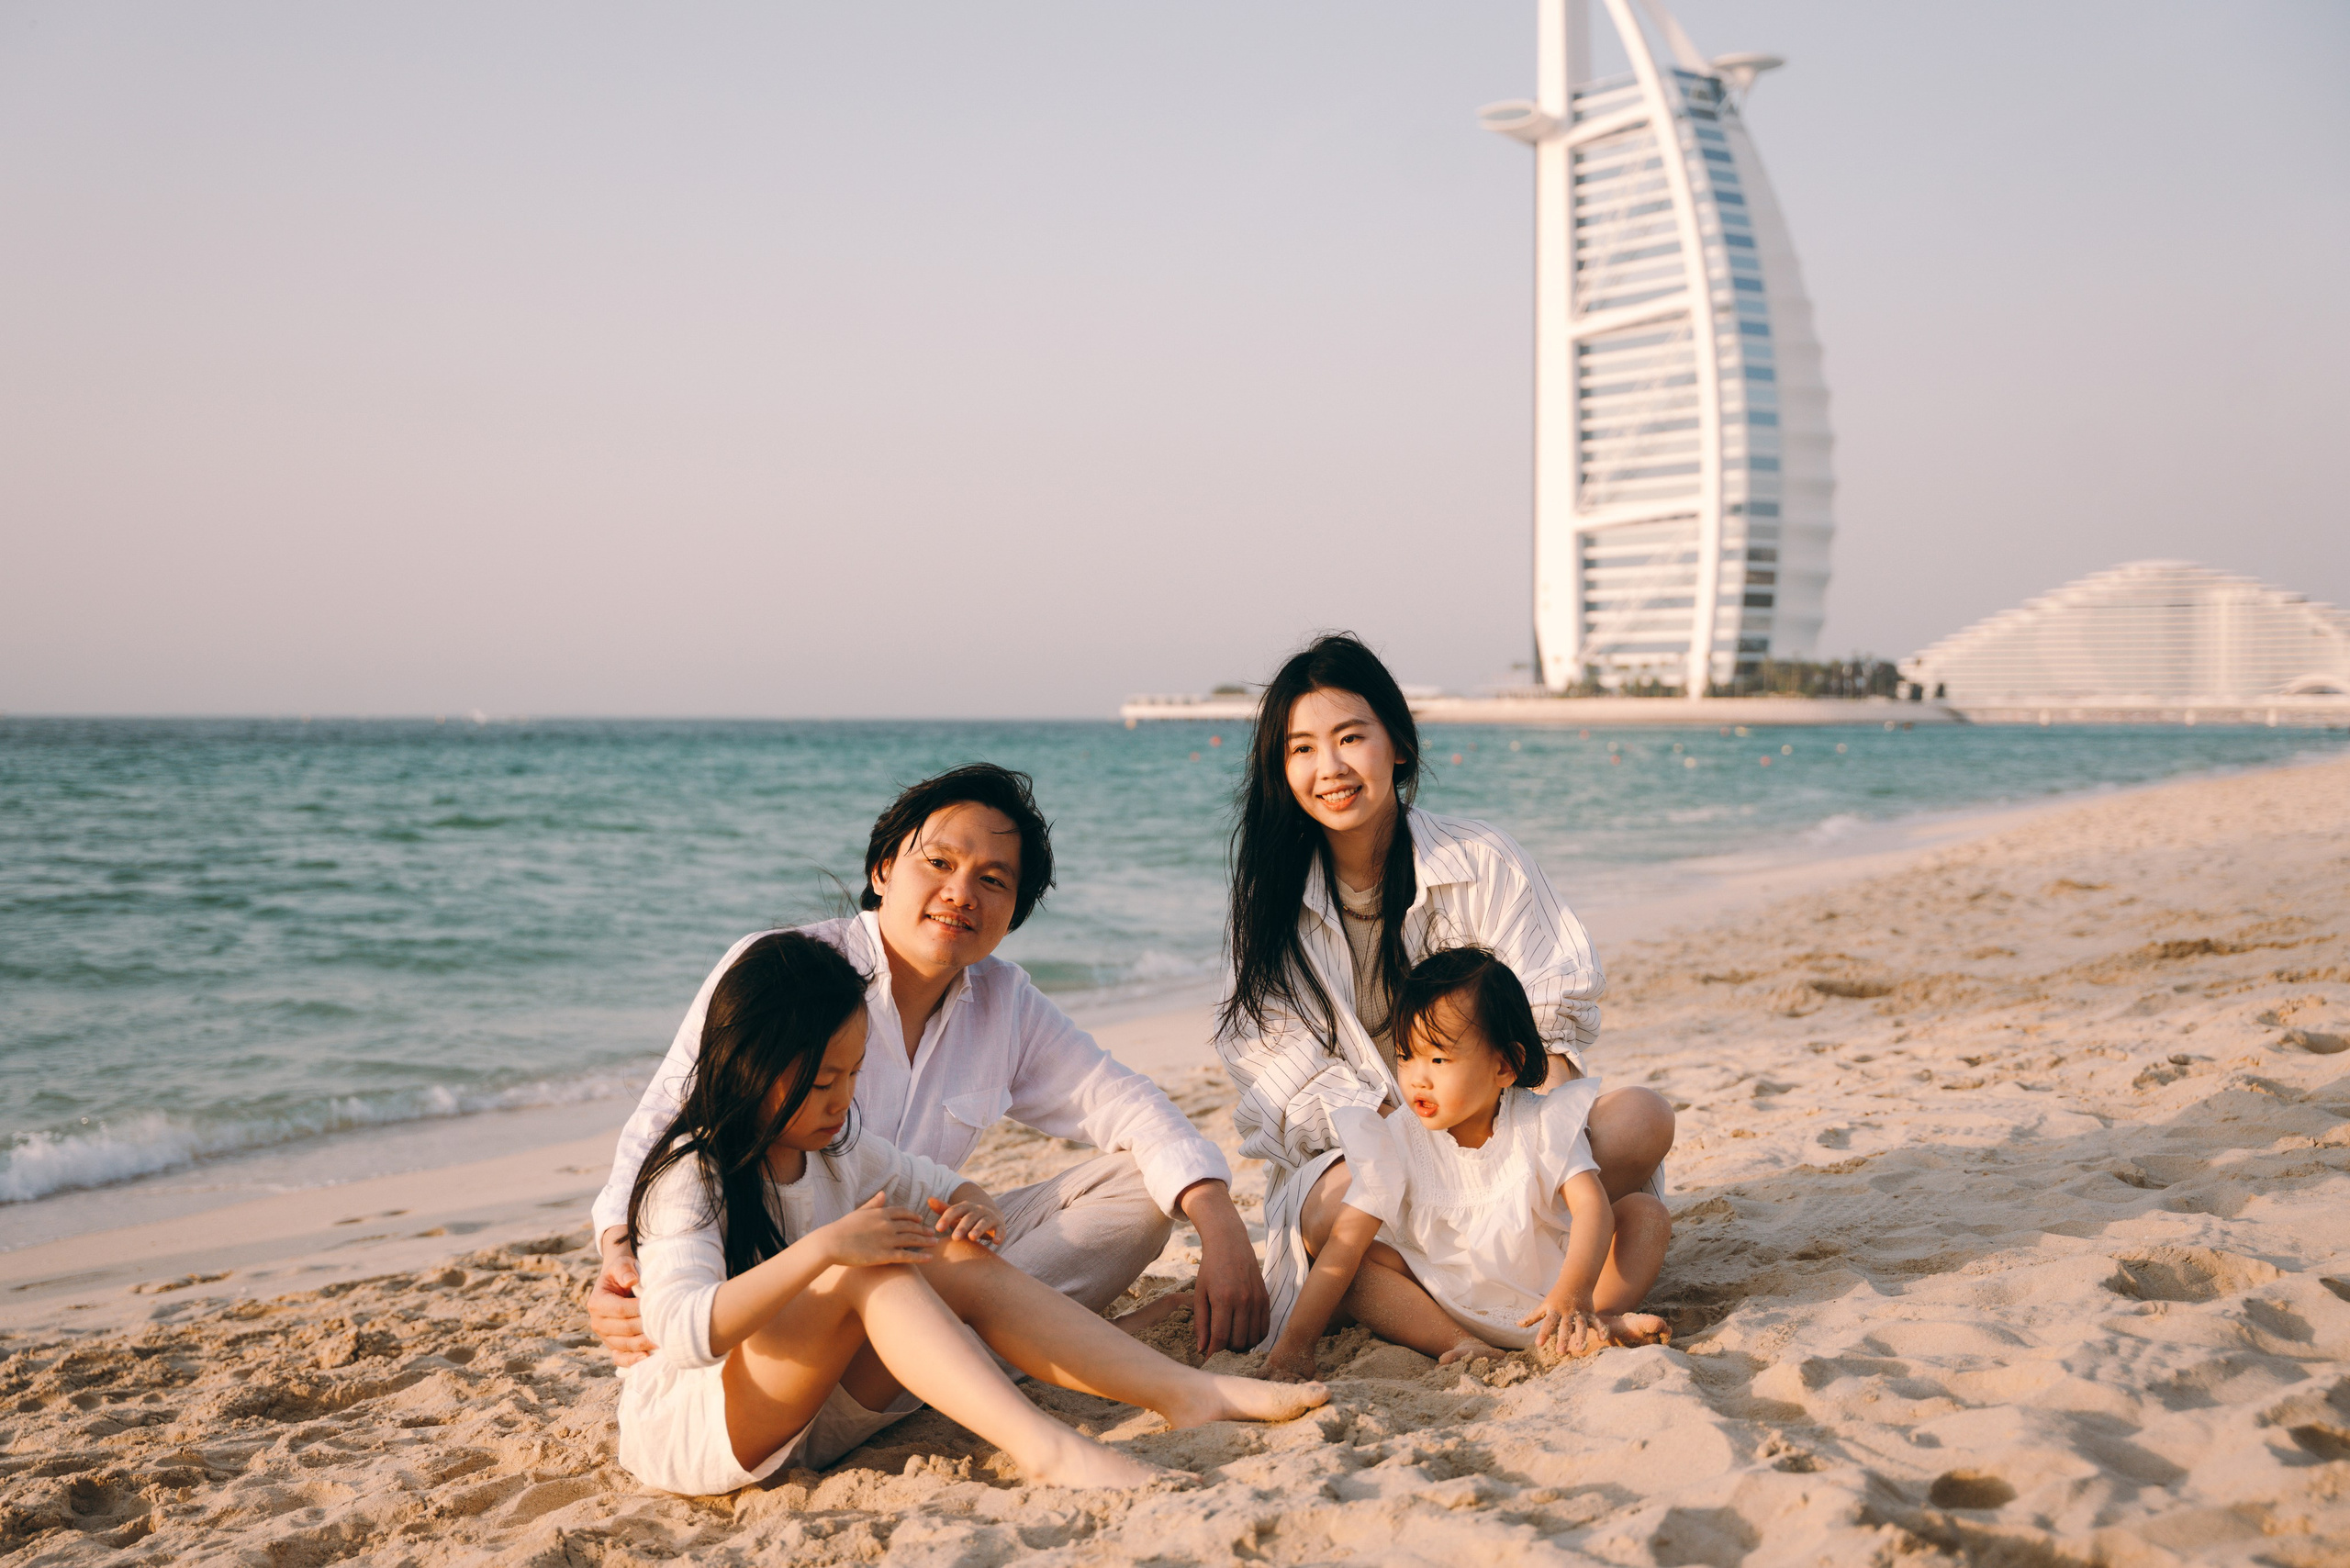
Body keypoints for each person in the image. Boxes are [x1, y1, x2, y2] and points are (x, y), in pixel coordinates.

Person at [589, 764, 1270, 1367]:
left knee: (1141, 1189)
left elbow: (1123, 1103)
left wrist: (1221, 1226)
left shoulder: (1006, 1002)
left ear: (1014, 911)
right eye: (939, 862)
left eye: (992, 880)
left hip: (923, 1262)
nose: (961, 893)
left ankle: (981, 1353)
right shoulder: (785, 971)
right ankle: (1027, 1348)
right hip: (784, 1287)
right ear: (883, 870)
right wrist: (621, 1252)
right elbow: (668, 1118)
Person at [619, 930, 1327, 1495]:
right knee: (870, 1268)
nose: (843, 1100)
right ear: (747, 1065)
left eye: (854, 1074)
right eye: (823, 1080)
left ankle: (1187, 1394)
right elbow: (681, 1333)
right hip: (707, 1426)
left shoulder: (837, 1147)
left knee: (944, 1252)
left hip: (823, 1412)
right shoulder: (693, 1174)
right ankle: (1046, 1449)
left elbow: (939, 1183)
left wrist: (974, 1207)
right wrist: (828, 1249)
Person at [1213, 633, 1675, 1352]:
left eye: (1350, 738)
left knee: (1641, 1120)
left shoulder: (1479, 859)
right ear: (1282, 769)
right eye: (1302, 749)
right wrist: (1413, 1131)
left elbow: (1551, 1013)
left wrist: (1517, 1136)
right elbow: (1279, 1080)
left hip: (1506, 1141)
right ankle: (1469, 1338)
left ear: (1397, 745)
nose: (1329, 767)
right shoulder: (1266, 912)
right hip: (1387, 1161)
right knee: (1331, 1207)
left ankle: (1528, 1298)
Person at [1257, 946, 1670, 1382]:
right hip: (1442, 1298)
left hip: (1553, 1288)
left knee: (1646, 1215)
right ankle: (1459, 1341)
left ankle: (1594, 1320)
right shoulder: (1394, 1140)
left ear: (1505, 1066)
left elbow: (1591, 1208)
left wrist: (1575, 1291)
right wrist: (1294, 1346)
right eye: (1405, 1056)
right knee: (1352, 1265)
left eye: (1438, 1059)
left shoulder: (1543, 1121)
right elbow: (1344, 1244)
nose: (1417, 1078)